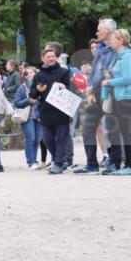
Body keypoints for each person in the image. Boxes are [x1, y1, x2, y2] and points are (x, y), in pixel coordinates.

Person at [80, 19, 124, 175]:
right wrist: (90, 88)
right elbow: (95, 72)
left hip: (111, 91)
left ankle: (115, 163)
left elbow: (111, 71)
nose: (97, 32)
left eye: (100, 30)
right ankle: (91, 164)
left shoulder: (117, 48)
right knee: (87, 127)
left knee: (113, 129)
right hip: (96, 91)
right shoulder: (100, 49)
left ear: (109, 31)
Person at [30, 45, 74, 175]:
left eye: (53, 56)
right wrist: (38, 90)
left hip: (61, 110)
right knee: (47, 138)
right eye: (48, 56)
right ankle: (59, 160)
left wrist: (64, 86)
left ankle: (59, 163)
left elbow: (72, 89)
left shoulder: (64, 71)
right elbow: (32, 95)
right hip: (45, 111)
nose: (51, 58)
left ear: (56, 57)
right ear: (43, 59)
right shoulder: (38, 75)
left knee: (61, 138)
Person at [101, 28, 131, 175]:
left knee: (130, 132)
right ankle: (130, 164)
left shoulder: (128, 56)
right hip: (121, 97)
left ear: (121, 40)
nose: (110, 41)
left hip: (128, 97)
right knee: (126, 132)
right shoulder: (120, 56)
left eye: (113, 39)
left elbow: (128, 79)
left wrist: (109, 82)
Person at [13, 67, 42, 170]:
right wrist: (28, 101)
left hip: (39, 118)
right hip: (27, 117)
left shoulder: (41, 87)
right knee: (31, 138)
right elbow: (16, 103)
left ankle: (34, 160)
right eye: (28, 73)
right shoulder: (22, 88)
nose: (30, 74)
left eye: (32, 72)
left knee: (37, 140)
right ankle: (31, 162)